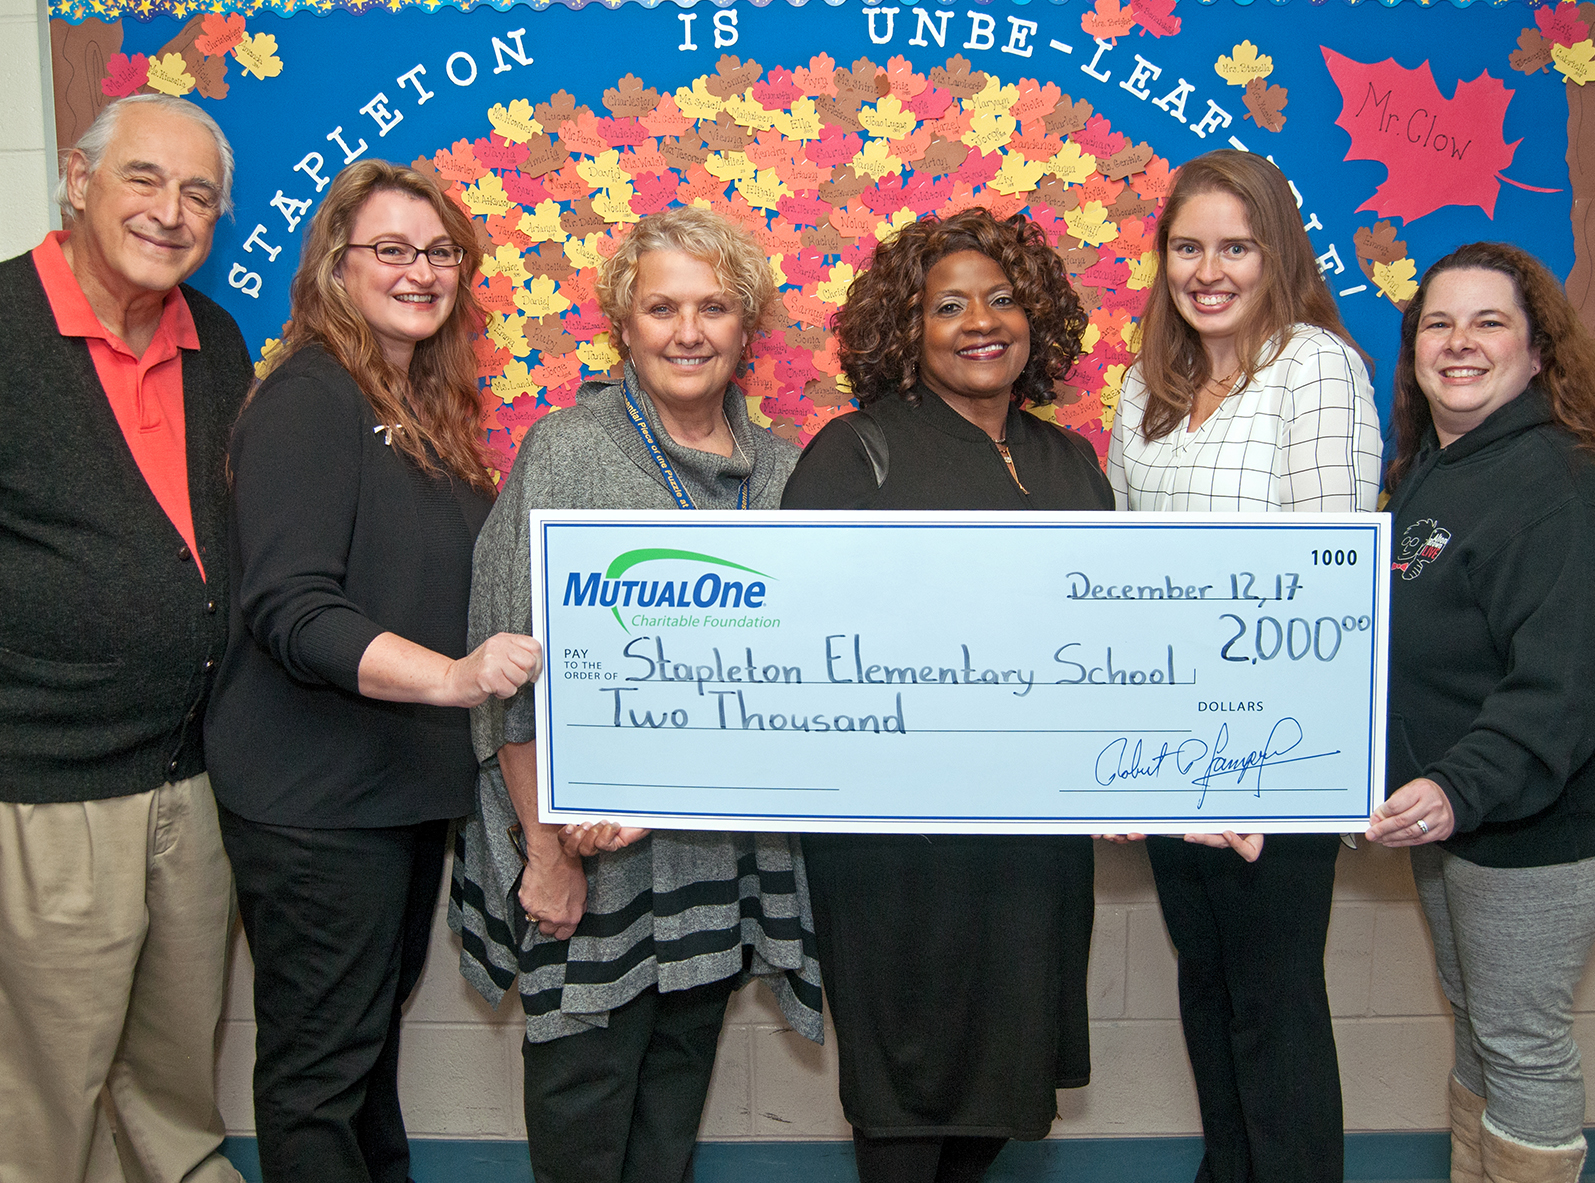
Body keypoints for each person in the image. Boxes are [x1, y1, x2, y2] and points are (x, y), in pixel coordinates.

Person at [0, 94, 249, 1183]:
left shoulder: (211, 339)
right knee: (43, 1086)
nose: (170, 212)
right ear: (77, 183)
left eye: (198, 195)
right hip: (33, 786)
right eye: (144, 179)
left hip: (190, 773)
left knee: (173, 1069)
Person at [451, 206, 822, 1183]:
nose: (688, 331)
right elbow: (510, 671)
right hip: (587, 868)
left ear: (748, 326)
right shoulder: (566, 453)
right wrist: (545, 851)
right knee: (583, 1134)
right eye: (663, 308)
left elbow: (800, 674)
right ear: (625, 322)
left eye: (713, 307)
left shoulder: (783, 472)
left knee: (665, 1133)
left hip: (713, 866)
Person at [204, 160, 541, 1182]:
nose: (421, 270)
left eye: (439, 252)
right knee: (321, 1073)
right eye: (391, 250)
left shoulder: (410, 403)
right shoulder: (311, 398)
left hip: (388, 796)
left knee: (363, 1053)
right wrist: (452, 678)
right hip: (316, 802)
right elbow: (293, 609)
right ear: (335, 268)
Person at [780, 208, 1112, 1183]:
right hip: (898, 842)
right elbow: (805, 647)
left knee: (1003, 1089)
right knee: (906, 1095)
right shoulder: (855, 455)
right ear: (906, 330)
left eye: (1002, 299)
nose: (981, 322)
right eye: (948, 305)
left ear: (1035, 316)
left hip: (1032, 838)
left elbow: (1110, 642)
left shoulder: (1070, 462)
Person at [1105, 149, 1382, 1183]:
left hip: (1276, 755)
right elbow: (1121, 577)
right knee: (1207, 986)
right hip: (1173, 754)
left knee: (1273, 999)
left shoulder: (1315, 368)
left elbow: (1331, 583)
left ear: (1277, 256)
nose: (1208, 270)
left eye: (1236, 246)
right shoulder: (1145, 390)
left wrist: (1282, 766)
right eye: (1188, 247)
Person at [1366, 243, 1595, 1183]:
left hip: (1546, 811)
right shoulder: (1441, 466)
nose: (1460, 343)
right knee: (1480, 1016)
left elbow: (1563, 690)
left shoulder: (1570, 484)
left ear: (1539, 354)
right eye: (1438, 324)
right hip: (1461, 803)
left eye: (1489, 322)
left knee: (1519, 1034)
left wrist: (1457, 788)